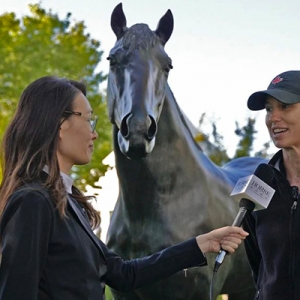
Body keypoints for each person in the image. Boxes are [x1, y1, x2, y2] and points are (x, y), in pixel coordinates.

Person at [0, 75, 248, 300]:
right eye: (88, 119)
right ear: (61, 124)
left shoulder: (66, 200)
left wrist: (199, 245)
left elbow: (123, 274)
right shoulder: (32, 201)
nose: (94, 133)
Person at [244, 70, 300, 300]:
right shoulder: (260, 181)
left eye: (285, 106)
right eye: (269, 109)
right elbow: (259, 265)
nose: (273, 118)